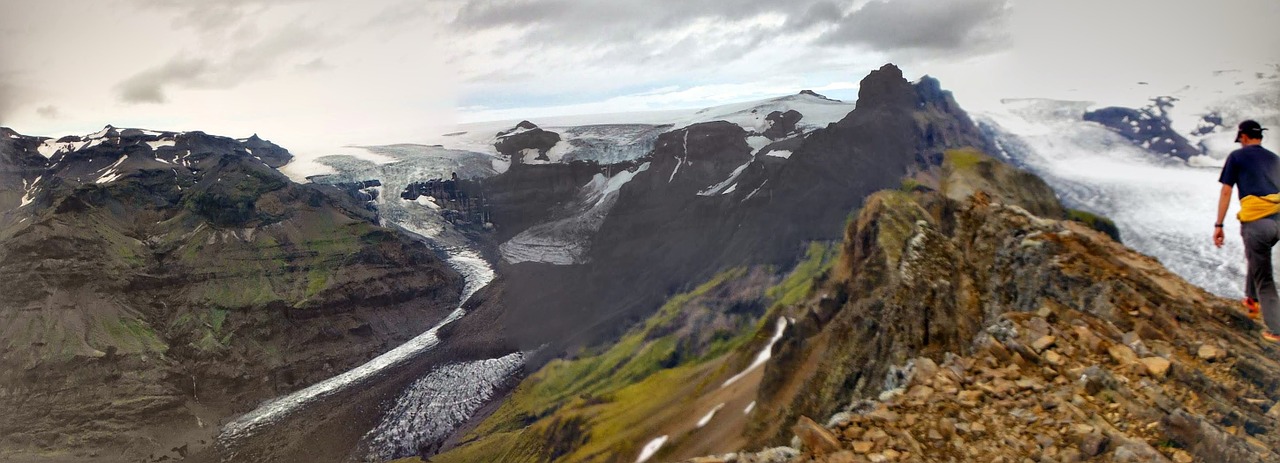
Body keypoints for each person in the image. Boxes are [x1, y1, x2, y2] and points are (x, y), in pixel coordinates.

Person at [1213, 120, 1280, 343]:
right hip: (1278, 218)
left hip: (1257, 222)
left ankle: (1276, 330)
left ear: (1243, 137)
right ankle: (1251, 299)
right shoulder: (1274, 158)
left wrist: (1219, 225)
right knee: (1256, 256)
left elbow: (1226, 192)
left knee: (1265, 277)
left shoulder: (1237, 157)